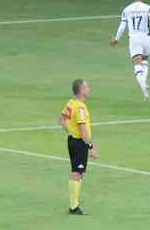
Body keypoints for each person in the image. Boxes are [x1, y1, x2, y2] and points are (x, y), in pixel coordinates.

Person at [59, 79, 97, 216]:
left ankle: (74, 205)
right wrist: (90, 147)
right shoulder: (80, 108)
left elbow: (61, 120)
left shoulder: (71, 103)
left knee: (77, 172)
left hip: (72, 141)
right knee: (77, 173)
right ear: (81, 90)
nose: (89, 88)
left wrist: (70, 131)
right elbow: (82, 130)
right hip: (79, 143)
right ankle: (73, 207)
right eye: (87, 86)